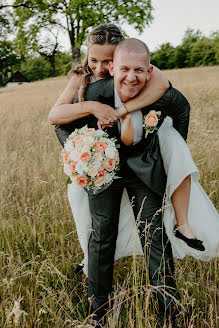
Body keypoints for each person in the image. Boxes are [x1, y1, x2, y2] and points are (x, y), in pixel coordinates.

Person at [49, 24, 204, 252]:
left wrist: (123, 110)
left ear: (117, 59)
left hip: (135, 146)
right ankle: (89, 258)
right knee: (84, 204)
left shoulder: (134, 70)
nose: (100, 68)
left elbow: (161, 84)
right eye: (94, 60)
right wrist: (91, 106)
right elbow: (55, 115)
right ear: (87, 55)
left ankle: (181, 225)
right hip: (100, 153)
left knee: (174, 157)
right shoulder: (83, 77)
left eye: (107, 61)